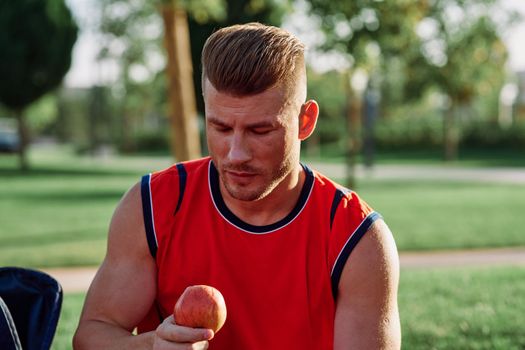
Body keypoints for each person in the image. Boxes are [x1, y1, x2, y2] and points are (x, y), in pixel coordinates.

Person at [73, 22, 401, 349]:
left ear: (305, 121)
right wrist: (153, 346)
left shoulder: (356, 238)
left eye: (260, 131)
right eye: (221, 127)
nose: (236, 153)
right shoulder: (153, 206)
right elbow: (92, 335)